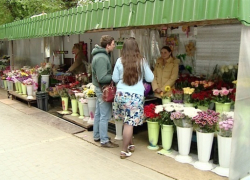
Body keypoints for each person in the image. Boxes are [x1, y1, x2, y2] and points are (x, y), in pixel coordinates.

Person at [112, 37, 154, 159]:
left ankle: (130, 145)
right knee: (129, 123)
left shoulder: (119, 61)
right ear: (136, 47)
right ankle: (124, 151)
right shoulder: (142, 61)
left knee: (126, 121)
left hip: (120, 95)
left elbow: (114, 79)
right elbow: (150, 78)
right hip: (135, 96)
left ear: (124, 48)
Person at [91, 35, 118, 148]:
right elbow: (102, 78)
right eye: (113, 44)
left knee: (98, 113)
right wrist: (114, 77)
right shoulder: (102, 57)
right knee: (104, 115)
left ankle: (97, 135)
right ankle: (104, 140)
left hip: (99, 88)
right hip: (103, 89)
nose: (114, 45)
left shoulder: (101, 55)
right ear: (107, 45)